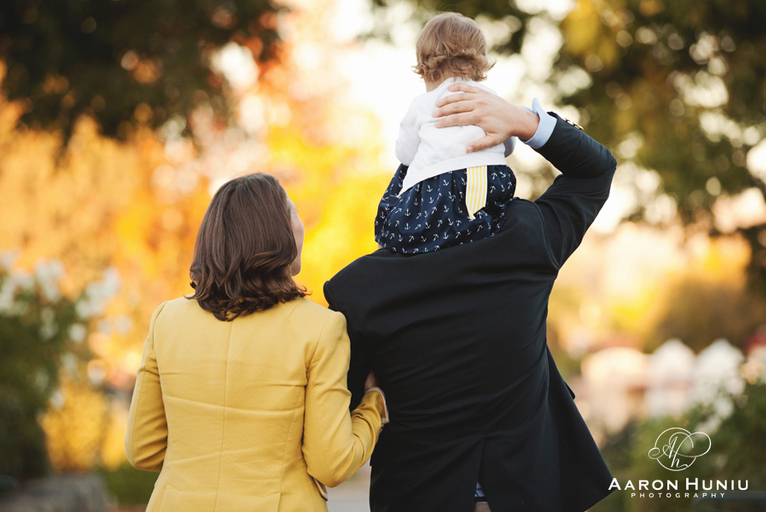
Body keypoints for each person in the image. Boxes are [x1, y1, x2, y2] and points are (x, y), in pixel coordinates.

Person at [324, 84, 616, 512]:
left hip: (418, 495)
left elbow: (339, 413)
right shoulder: (527, 239)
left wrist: (372, 395)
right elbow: (595, 170)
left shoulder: (359, 289)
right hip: (529, 492)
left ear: (404, 196)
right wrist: (523, 122)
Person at [125, 173, 388, 512]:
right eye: (293, 212)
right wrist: (373, 405)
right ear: (277, 233)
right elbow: (331, 464)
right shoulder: (321, 328)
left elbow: (143, 448)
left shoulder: (167, 320)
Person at [376, 12, 517, 254]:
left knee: (404, 223)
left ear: (425, 67)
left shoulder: (423, 103)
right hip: (490, 177)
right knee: (477, 223)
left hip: (438, 184)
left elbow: (406, 154)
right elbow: (508, 142)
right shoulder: (490, 96)